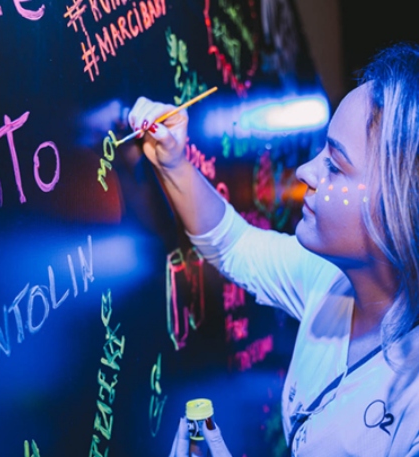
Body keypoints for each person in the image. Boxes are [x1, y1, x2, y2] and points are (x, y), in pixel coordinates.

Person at [128, 42, 419, 456]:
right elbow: (234, 245)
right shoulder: (330, 282)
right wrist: (172, 162)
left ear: (400, 209)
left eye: (335, 166)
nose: (305, 171)